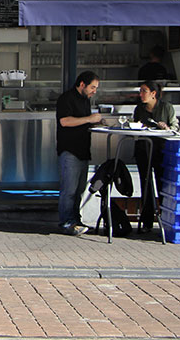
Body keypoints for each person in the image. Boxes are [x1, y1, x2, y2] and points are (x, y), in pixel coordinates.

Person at [56, 70, 103, 236]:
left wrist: (94, 123)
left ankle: (76, 220)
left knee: (79, 190)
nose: (94, 91)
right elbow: (65, 121)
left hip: (83, 150)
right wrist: (90, 119)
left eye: (96, 88)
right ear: (82, 84)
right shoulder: (66, 98)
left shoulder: (85, 101)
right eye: (92, 87)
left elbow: (82, 122)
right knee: (69, 190)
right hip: (70, 150)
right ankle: (66, 222)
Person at [132, 79, 180, 233]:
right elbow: (136, 126)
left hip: (161, 150)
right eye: (140, 91)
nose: (141, 95)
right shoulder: (139, 109)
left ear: (153, 94)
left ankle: (165, 220)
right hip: (143, 149)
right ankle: (146, 222)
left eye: (143, 91)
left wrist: (166, 127)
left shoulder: (166, 108)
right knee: (145, 184)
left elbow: (175, 127)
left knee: (162, 184)